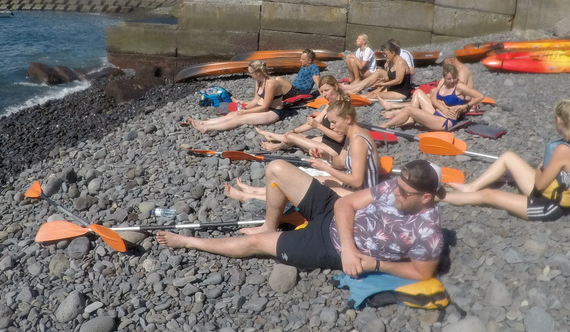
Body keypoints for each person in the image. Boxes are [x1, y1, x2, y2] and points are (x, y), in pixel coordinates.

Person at [156, 159, 446, 280]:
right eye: (398, 185)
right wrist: (350, 246)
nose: (395, 192)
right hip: (335, 219)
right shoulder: (393, 186)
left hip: (327, 245)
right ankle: (270, 223)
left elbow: (422, 273)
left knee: (255, 243)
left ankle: (187, 242)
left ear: (425, 198)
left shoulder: (428, 234)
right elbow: (345, 204)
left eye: (404, 192)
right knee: (277, 168)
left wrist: (375, 264)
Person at [442, 98, 570, 221]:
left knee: (488, 195)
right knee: (508, 157)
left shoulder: (562, 150)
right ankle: (470, 188)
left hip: (549, 206)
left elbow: (541, 185)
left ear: (559, 121)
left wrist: (541, 168)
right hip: (550, 192)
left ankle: (440, 197)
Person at [226, 99, 380, 203]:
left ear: (347, 119)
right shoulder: (351, 135)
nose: (331, 127)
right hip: (352, 187)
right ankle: (254, 191)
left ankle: (248, 198)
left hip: (362, 195)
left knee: (304, 189)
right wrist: (326, 156)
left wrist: (325, 167)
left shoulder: (358, 141)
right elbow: (340, 162)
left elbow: (357, 181)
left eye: (333, 122)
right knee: (306, 180)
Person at [255, 75, 347, 156]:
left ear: (335, 86)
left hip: (334, 149)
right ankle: (272, 136)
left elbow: (339, 138)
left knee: (292, 137)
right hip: (328, 141)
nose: (324, 95)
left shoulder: (341, 106)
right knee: (299, 135)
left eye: (326, 90)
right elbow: (316, 121)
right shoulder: (332, 103)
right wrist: (294, 130)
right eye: (322, 92)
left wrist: (318, 126)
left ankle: (276, 147)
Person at [187, 60, 288, 133]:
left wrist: (245, 112)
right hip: (261, 108)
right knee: (232, 114)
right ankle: (202, 123)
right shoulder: (259, 81)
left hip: (272, 112)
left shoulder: (270, 84)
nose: (249, 75)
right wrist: (245, 107)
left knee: (239, 119)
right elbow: (256, 100)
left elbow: (265, 107)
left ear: (257, 73)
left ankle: (207, 128)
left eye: (250, 73)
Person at [377, 64, 484, 131]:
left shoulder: (459, 86)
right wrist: (442, 107)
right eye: (449, 79)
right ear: (444, 77)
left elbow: (480, 96)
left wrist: (463, 107)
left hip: (445, 121)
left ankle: (385, 126)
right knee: (418, 92)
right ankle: (410, 119)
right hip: (437, 112)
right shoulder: (442, 82)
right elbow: (433, 98)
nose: (452, 81)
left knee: (409, 109)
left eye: (454, 78)